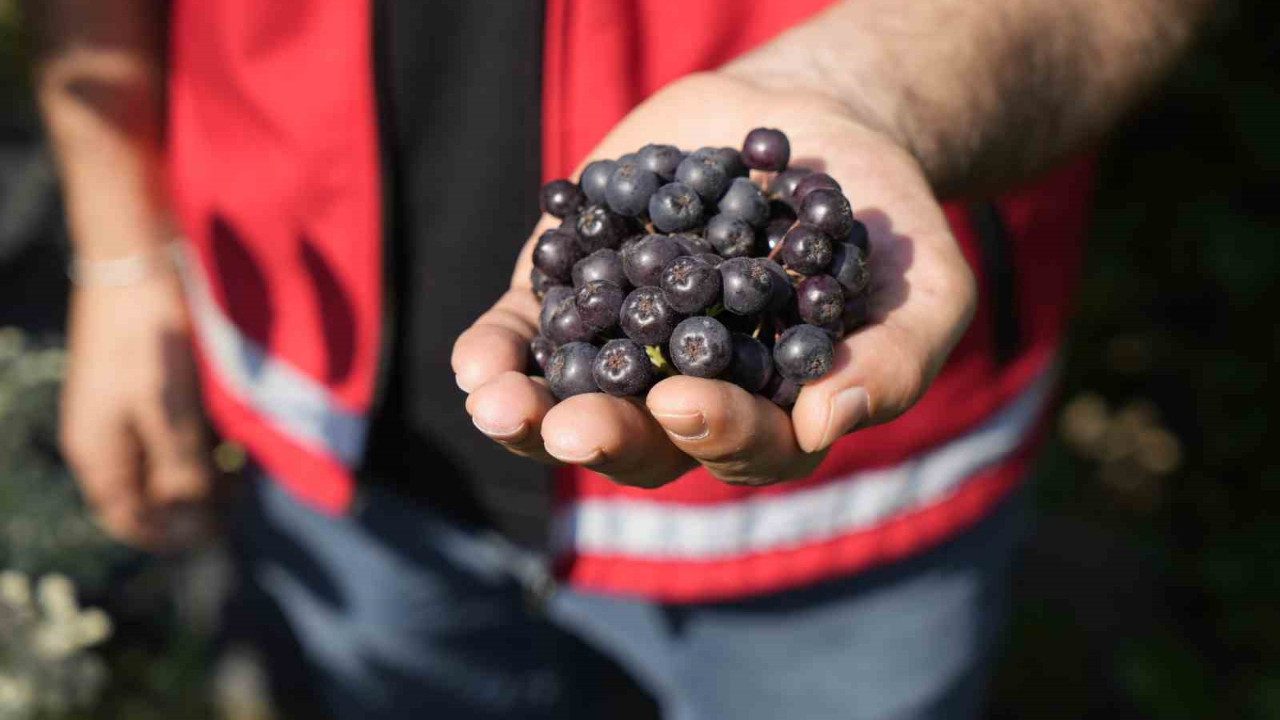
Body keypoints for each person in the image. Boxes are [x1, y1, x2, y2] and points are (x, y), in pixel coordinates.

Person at [31, 0, 1209, 717]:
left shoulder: (755, 255)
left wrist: (864, 89)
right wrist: (123, 252)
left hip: (844, 518)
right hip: (336, 424)